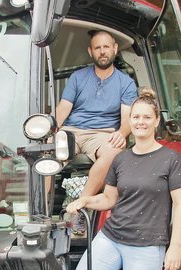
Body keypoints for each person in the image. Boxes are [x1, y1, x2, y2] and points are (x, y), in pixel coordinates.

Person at [67, 88, 181, 270]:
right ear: (130, 121)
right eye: (136, 117)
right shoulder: (121, 159)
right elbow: (109, 199)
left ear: (156, 121)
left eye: (147, 117)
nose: (140, 122)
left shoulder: (170, 159)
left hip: (146, 245)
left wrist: (175, 247)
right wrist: (86, 200)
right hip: (113, 236)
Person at [56, 29, 137, 200]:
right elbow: (63, 108)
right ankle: (41, 212)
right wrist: (51, 130)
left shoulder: (126, 83)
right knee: (46, 151)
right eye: (97, 47)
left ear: (115, 49)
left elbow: (127, 119)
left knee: (114, 150)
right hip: (72, 131)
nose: (102, 51)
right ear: (90, 51)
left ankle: (82, 201)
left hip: (102, 134)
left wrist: (122, 133)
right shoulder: (77, 77)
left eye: (106, 47)